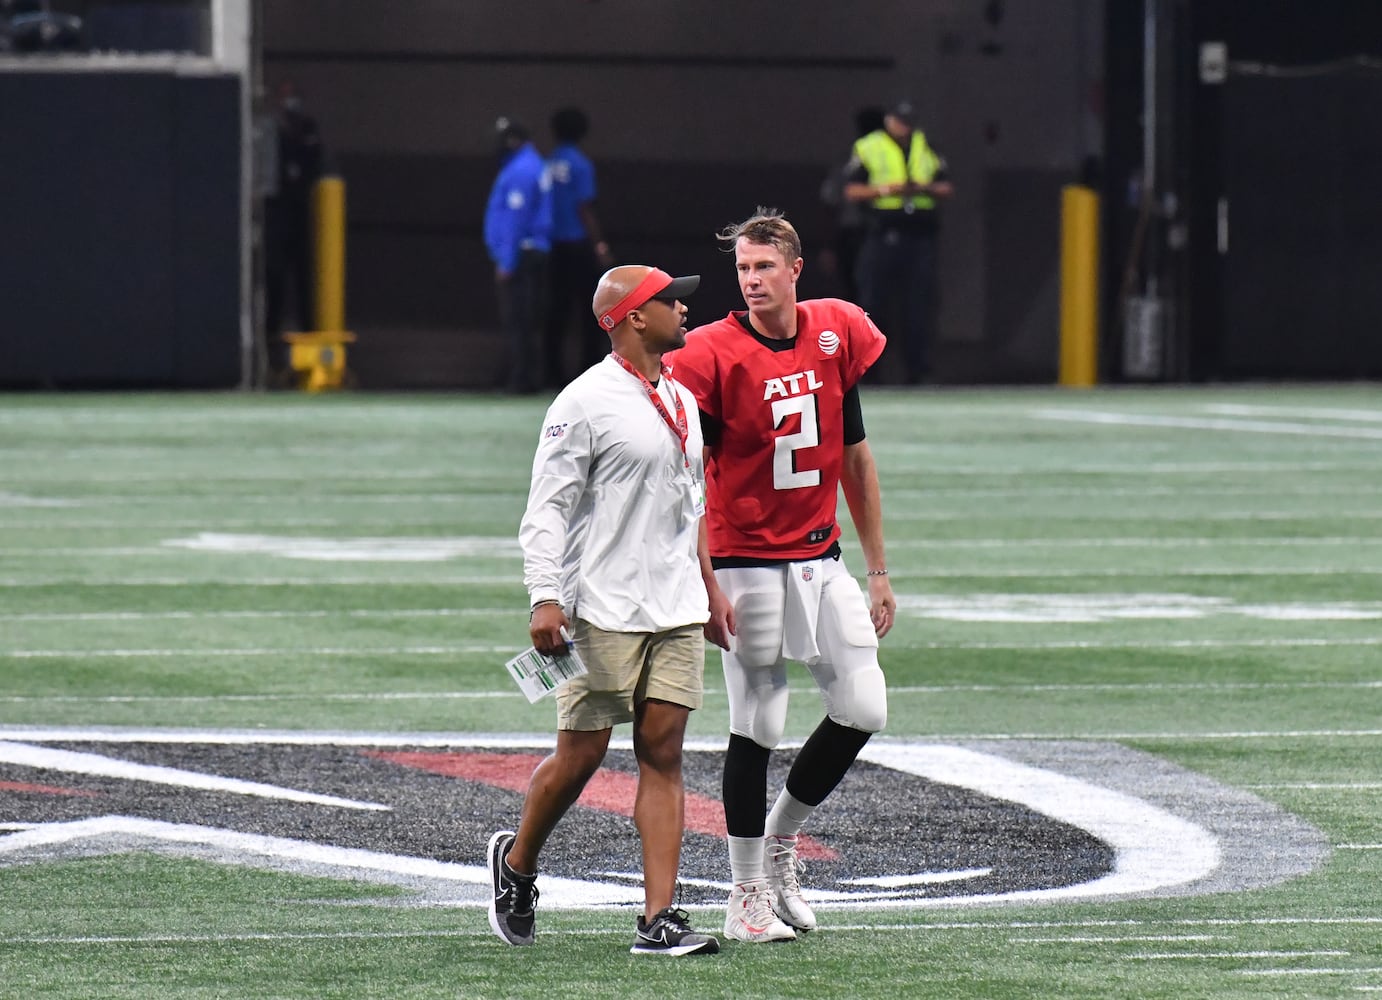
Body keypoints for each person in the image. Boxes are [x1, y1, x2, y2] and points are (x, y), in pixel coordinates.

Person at [665, 208, 896, 943]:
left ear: (796, 270)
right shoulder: (711, 352)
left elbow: (855, 455)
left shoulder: (835, 331)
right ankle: (742, 893)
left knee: (864, 706)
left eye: (765, 267)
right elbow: (688, 480)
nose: (752, 280)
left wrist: (880, 567)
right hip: (744, 559)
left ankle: (780, 843)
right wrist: (704, 584)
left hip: (820, 555)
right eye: (743, 269)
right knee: (757, 720)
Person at [488, 264, 720, 957]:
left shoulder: (679, 395)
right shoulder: (582, 402)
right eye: (667, 300)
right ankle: (519, 862)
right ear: (626, 317)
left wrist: (708, 586)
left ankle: (658, 919)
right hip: (602, 606)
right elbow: (547, 510)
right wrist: (544, 596)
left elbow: (692, 502)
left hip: (674, 603)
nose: (682, 307)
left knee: (664, 751)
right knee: (583, 754)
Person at [844, 99, 953, 384]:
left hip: (920, 235)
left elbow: (946, 186)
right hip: (882, 232)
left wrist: (922, 187)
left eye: (908, 121)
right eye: (899, 120)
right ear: (889, 120)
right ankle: (869, 373)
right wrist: (885, 190)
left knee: (918, 306)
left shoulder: (925, 146)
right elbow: (852, 190)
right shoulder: (869, 146)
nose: (904, 126)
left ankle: (919, 372)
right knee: (873, 304)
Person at [543, 107, 616, 388]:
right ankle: (588, 371)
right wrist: (599, 244)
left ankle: (552, 372)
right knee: (590, 309)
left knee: (556, 310)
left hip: (553, 245)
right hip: (577, 243)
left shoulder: (547, 163)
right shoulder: (581, 164)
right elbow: (584, 207)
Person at [483, 116, 553, 394]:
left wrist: (507, 260)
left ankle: (522, 379)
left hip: (522, 254)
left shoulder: (521, 170)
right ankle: (522, 375)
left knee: (519, 319)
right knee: (524, 318)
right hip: (530, 251)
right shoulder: (531, 164)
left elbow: (516, 218)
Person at [264, 81, 324, 381]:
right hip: (277, 216)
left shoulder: (307, 130)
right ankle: (270, 345)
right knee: (274, 279)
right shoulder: (271, 131)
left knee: (305, 281)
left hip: (301, 215)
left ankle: (311, 344)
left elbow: (315, 163)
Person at [818, 106, 884, 303]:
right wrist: (829, 246)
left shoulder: (888, 159)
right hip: (854, 234)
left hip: (880, 232)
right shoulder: (850, 160)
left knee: (877, 293)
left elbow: (830, 204)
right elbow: (831, 203)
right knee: (856, 291)